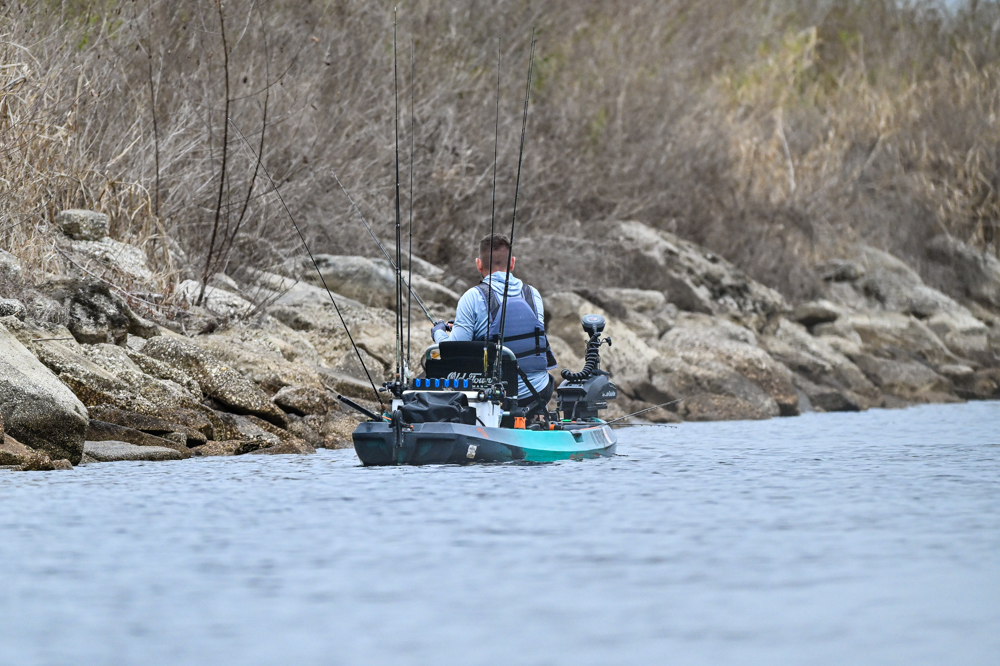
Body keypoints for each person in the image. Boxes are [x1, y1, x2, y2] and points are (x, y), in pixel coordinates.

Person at [431, 233, 557, 413]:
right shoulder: (533, 294)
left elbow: (453, 351)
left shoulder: (471, 297)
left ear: (479, 264)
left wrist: (438, 332)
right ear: (512, 263)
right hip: (537, 392)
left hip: (494, 397)